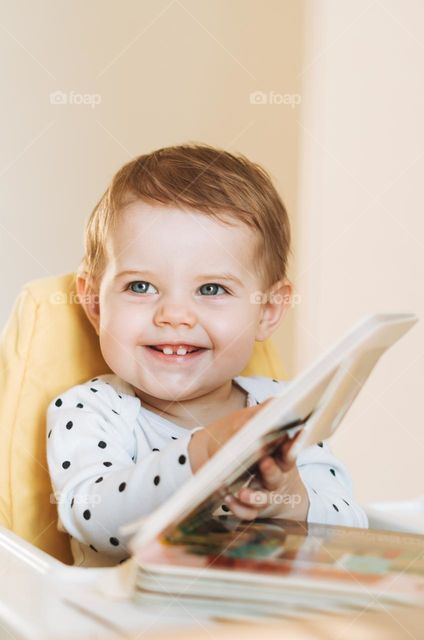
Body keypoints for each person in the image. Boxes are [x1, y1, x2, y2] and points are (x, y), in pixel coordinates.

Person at [46, 144, 367, 566]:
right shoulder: (90, 410)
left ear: (267, 311)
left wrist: (290, 501)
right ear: (96, 304)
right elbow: (94, 518)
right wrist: (203, 455)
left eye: (211, 289)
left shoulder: (282, 411)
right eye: (140, 287)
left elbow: (351, 533)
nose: (175, 315)